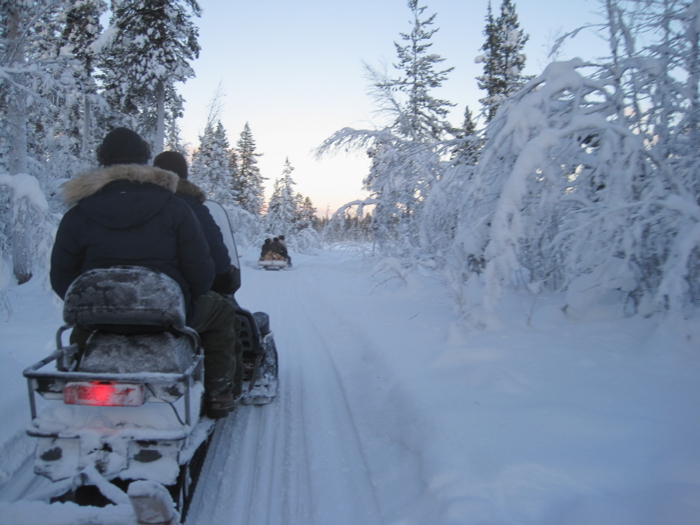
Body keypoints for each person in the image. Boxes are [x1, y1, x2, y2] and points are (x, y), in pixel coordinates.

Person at [50, 128, 239, 418]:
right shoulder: (174, 207)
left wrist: (102, 303)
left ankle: (80, 385)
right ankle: (217, 393)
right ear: (144, 161)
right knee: (223, 312)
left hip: (99, 318)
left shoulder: (78, 212)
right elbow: (201, 274)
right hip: (165, 316)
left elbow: (63, 279)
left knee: (81, 326)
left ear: (102, 162)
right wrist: (187, 294)